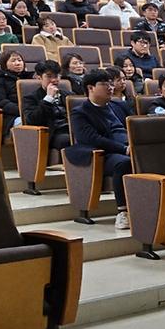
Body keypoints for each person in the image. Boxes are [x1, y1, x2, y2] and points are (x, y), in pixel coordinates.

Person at [69, 69, 132, 230]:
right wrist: (124, 149)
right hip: (104, 154)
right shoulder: (80, 112)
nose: (110, 87)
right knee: (124, 163)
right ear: (91, 88)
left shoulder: (119, 106)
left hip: (129, 147)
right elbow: (92, 139)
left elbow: (135, 125)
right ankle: (123, 212)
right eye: (105, 84)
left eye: (111, 84)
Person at [22, 60, 72, 152]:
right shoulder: (30, 98)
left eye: (56, 76)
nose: (54, 80)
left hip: (71, 129)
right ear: (39, 77)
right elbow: (32, 120)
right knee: (67, 140)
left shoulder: (68, 95)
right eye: (49, 76)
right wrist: (48, 99)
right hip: (52, 133)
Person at [0, 49, 29, 130]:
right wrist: (21, 110)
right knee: (31, 121)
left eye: (19, 60)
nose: (17, 63)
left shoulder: (30, 78)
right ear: (5, 64)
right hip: (11, 117)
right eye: (13, 61)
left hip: (30, 113)